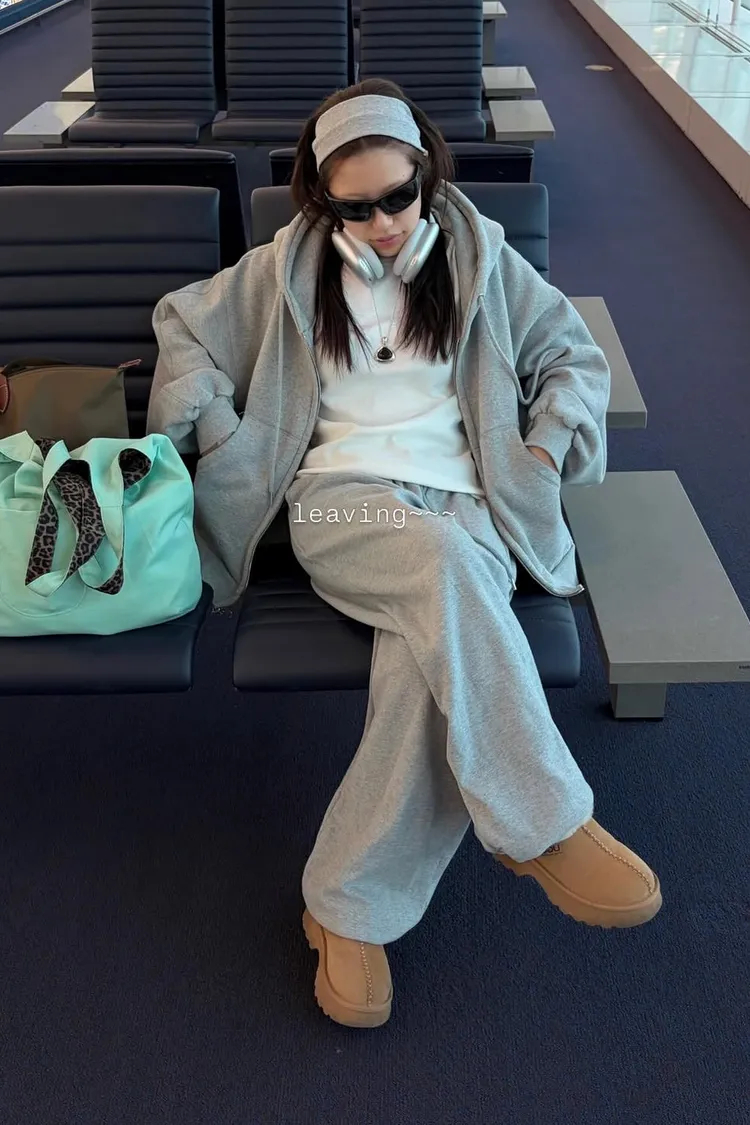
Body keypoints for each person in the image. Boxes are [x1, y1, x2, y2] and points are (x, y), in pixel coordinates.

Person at [147, 78, 662, 1030]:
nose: (385, 224)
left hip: (468, 501)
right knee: (442, 568)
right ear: (322, 201)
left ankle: (345, 907)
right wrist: (219, 429)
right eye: (358, 207)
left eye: (400, 196)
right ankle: (544, 819)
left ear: (427, 175)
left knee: (425, 662)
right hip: (340, 504)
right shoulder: (283, 270)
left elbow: (572, 354)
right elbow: (181, 323)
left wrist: (545, 445)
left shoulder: (480, 255)